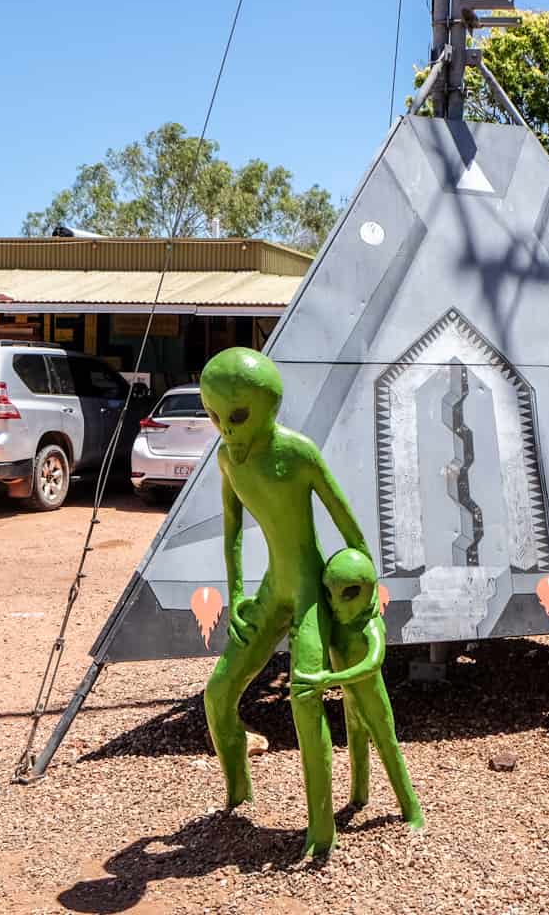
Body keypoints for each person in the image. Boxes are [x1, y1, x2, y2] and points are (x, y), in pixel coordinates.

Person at [199, 346, 368, 857]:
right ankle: (237, 793)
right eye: (213, 417)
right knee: (218, 694)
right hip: (272, 591)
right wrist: (236, 594)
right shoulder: (229, 459)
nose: (226, 429)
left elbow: (352, 533)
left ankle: (321, 832)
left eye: (237, 415)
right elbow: (231, 531)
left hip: (313, 589)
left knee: (305, 697)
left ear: (269, 406)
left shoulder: (299, 454)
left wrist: (359, 593)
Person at [292, 548, 424, 832]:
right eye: (330, 595)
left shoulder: (369, 626)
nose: (337, 605)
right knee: (356, 749)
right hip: (350, 699)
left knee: (388, 750)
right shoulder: (338, 624)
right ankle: (358, 796)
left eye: (349, 594)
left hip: (372, 701)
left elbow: (372, 664)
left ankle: (412, 810)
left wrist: (329, 679)